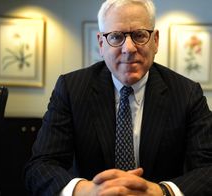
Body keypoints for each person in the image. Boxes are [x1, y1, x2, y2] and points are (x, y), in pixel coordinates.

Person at [24, 0, 212, 195]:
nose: (129, 48)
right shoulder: (71, 89)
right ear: (101, 43)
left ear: (155, 40)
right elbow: (40, 165)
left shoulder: (187, 94)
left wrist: (161, 192)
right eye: (116, 37)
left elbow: (208, 169)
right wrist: (86, 190)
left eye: (140, 35)